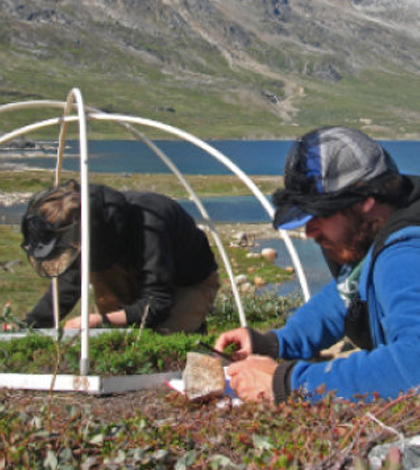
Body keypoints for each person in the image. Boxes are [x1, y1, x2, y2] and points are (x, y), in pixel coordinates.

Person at [215, 126, 420, 403]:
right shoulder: (376, 234)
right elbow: (345, 296)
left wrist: (287, 383)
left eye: (319, 215)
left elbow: (414, 367)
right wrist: (275, 344)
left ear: (366, 201)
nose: (309, 232)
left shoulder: (405, 254)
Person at [20, 179, 219, 333]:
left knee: (161, 337)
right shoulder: (85, 233)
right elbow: (68, 286)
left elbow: (158, 300)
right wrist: (30, 326)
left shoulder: (150, 223)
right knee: (115, 338)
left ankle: (194, 329)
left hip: (185, 282)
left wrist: (102, 320)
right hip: (127, 270)